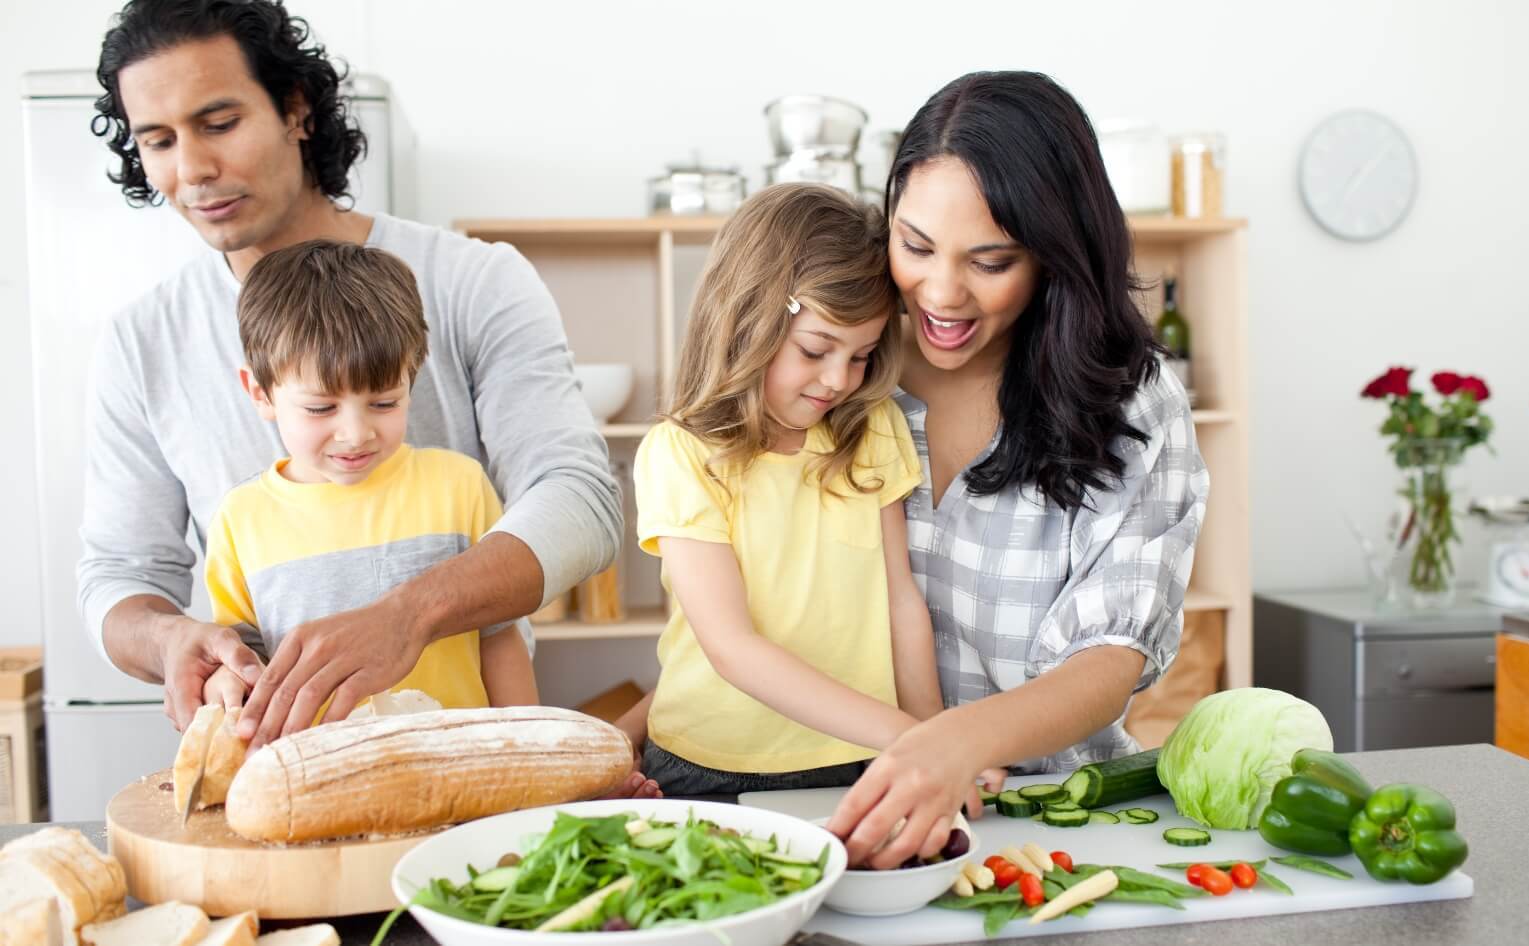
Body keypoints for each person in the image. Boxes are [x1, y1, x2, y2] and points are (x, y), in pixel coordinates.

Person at [80, 0, 623, 749]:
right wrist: (168, 640)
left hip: (463, 748)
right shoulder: (140, 343)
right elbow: (119, 572)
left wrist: (409, 617)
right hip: (293, 762)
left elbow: (581, 503)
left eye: (219, 123)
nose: (193, 170)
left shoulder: (474, 280)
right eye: (159, 141)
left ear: (296, 110)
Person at [825, 71, 1211, 867]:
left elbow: (1108, 659)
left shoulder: (1133, 404)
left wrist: (953, 745)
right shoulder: (841, 371)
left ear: (1056, 253)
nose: (941, 292)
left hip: (1057, 827)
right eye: (915, 245)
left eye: (990, 261)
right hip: (840, 812)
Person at [628, 184, 952, 795]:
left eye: (860, 356)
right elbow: (732, 648)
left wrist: (935, 739)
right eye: (816, 349)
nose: (838, 380)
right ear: (746, 321)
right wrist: (909, 737)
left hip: (862, 757)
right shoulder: (681, 453)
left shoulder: (869, 427)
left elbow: (901, 602)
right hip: (710, 766)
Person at [199, 239, 535, 717]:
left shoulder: (460, 486)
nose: (355, 435)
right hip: (317, 778)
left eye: (384, 403)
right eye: (321, 407)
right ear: (261, 392)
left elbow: (500, 641)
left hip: (461, 770)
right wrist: (223, 686)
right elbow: (243, 669)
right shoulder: (241, 519)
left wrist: (527, 757)